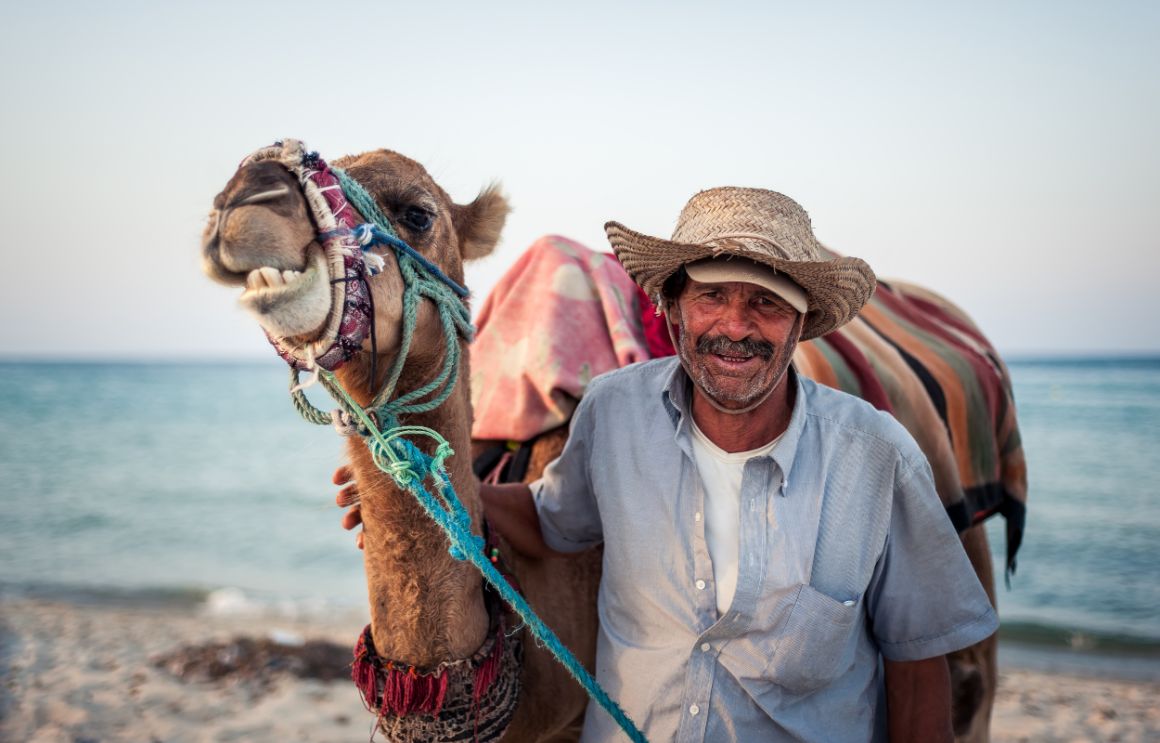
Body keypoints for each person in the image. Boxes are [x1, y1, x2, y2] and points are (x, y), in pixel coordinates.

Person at [336, 187, 998, 742]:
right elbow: (551, 520)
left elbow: (919, 662)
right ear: (674, 311)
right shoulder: (612, 411)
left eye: (765, 301)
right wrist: (427, 492)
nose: (735, 326)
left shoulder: (874, 456)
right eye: (712, 297)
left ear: (801, 323)